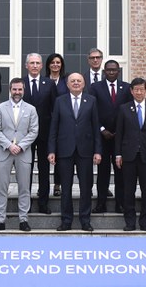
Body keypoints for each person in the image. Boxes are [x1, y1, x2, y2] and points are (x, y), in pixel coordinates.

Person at [48, 73, 102, 232]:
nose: (76, 83)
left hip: (85, 150)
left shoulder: (91, 101)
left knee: (86, 187)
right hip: (64, 150)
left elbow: (96, 127)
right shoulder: (60, 101)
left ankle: (85, 220)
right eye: (73, 81)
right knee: (66, 187)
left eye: (79, 81)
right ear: (68, 84)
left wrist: (98, 151)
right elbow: (54, 127)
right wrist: (51, 150)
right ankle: (66, 221)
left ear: (84, 84)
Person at [0, 78, 39, 232]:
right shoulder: (0, 108)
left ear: (24, 90)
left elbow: (34, 131)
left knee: (24, 188)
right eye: (14, 89)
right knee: (1, 188)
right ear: (10, 90)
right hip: (4, 152)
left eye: (20, 89)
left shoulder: (31, 109)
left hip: (23, 153)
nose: (17, 92)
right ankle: (0, 220)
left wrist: (21, 146)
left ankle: (23, 219)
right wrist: (9, 145)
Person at [116, 77, 146, 232]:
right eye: (136, 89)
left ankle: (145, 222)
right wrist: (118, 155)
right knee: (128, 190)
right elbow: (119, 133)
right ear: (131, 91)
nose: (139, 92)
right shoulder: (124, 109)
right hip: (128, 156)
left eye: (142, 89)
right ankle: (129, 222)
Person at [91, 59, 131, 213]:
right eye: (108, 70)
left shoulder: (126, 88)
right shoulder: (95, 88)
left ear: (119, 71)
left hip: (120, 137)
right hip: (102, 137)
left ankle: (120, 204)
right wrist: (102, 129)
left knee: (120, 172)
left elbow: (128, 111)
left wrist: (120, 131)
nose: (111, 72)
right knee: (103, 172)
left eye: (114, 70)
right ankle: (101, 203)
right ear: (104, 71)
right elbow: (93, 111)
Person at [22, 53, 58, 214]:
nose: (35, 66)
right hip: (25, 134)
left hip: (44, 133)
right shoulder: (20, 83)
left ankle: (43, 203)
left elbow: (54, 109)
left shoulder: (49, 84)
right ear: (26, 66)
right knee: (25, 169)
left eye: (37, 63)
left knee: (44, 170)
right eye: (32, 63)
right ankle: (25, 202)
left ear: (42, 66)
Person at [45, 52, 67, 197]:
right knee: (45, 156)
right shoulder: (44, 81)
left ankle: (58, 184)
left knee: (60, 155)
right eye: (52, 62)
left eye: (58, 62)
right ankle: (44, 186)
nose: (55, 65)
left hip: (64, 123)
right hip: (47, 122)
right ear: (48, 65)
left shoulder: (66, 81)